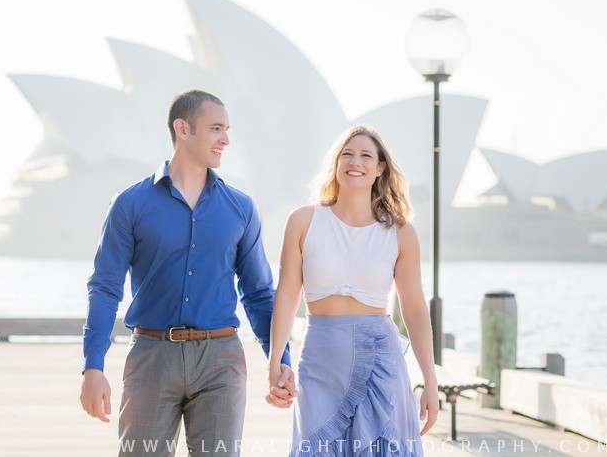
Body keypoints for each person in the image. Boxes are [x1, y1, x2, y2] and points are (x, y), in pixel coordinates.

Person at [80, 89, 294, 457]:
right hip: (151, 356)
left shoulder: (241, 208)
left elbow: (259, 294)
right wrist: (92, 367)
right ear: (183, 128)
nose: (226, 139)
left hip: (221, 360)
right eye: (215, 128)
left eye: (226, 129)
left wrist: (280, 360)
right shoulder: (130, 204)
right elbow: (105, 288)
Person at [266, 124, 438, 456]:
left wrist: (430, 381)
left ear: (379, 168)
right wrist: (276, 359)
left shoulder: (400, 233)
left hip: (380, 359)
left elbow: (415, 311)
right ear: (336, 163)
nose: (355, 162)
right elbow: (286, 296)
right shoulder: (303, 221)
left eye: (365, 155)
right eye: (347, 154)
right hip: (319, 359)